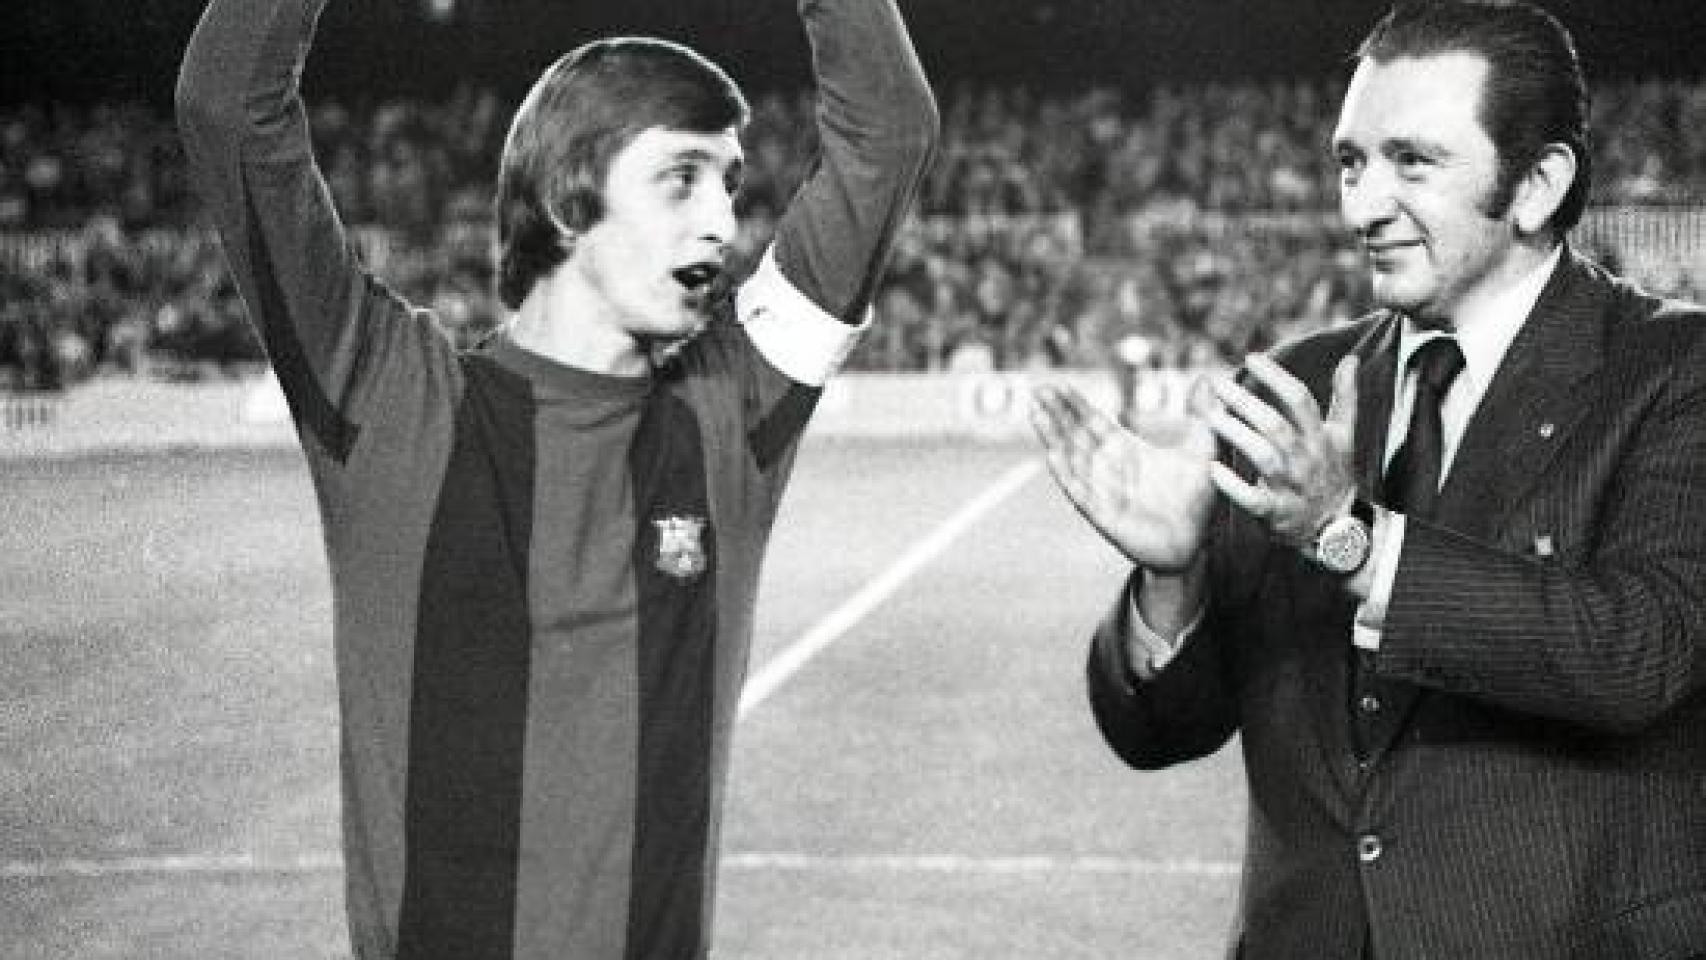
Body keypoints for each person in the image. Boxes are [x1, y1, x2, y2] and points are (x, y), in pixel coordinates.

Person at [175, 0, 936, 954]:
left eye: (730, 185)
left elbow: (891, 133)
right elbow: (226, 108)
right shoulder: (390, 400)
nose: (723, 222)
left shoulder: (730, 413)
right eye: (680, 179)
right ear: (573, 200)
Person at [1030, 3, 1706, 958]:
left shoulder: (1673, 370)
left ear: (1538, 184)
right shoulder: (1301, 381)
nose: (1360, 205)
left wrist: (1346, 535)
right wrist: (1174, 579)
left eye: (1412, 162)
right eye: (1351, 162)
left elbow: (1640, 652)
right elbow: (1162, 732)